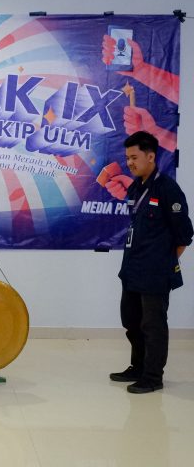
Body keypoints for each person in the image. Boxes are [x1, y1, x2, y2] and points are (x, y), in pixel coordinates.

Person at [109, 131, 193, 393]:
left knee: (153, 325)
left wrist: (164, 262)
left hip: (155, 273)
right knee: (131, 321)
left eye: (134, 157)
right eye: (127, 158)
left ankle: (153, 377)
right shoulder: (135, 188)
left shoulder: (168, 189)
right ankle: (138, 367)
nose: (130, 163)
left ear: (151, 156)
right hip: (132, 269)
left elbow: (184, 235)